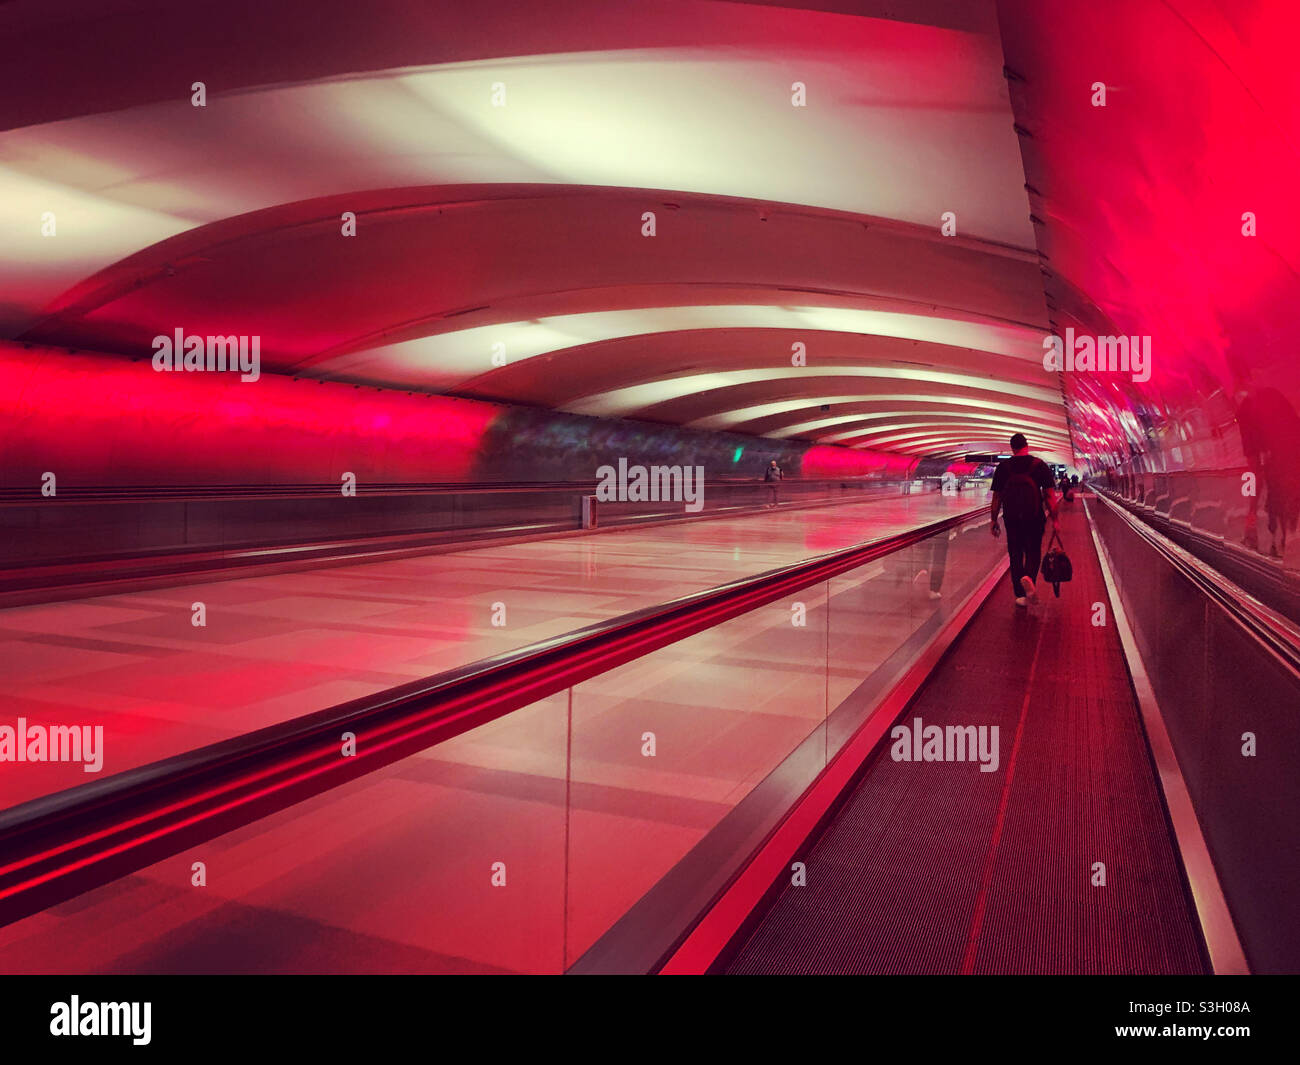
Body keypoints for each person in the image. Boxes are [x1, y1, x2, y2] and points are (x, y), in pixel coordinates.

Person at [989, 433, 1059, 607]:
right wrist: (1055, 520)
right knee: (1033, 551)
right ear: (1026, 446)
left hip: (1012, 519)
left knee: (1015, 554)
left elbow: (996, 497)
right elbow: (1049, 496)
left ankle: (1020, 595)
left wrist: (993, 520)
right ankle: (1029, 577)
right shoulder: (1039, 465)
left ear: (1012, 448)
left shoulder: (1003, 467)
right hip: (1035, 517)